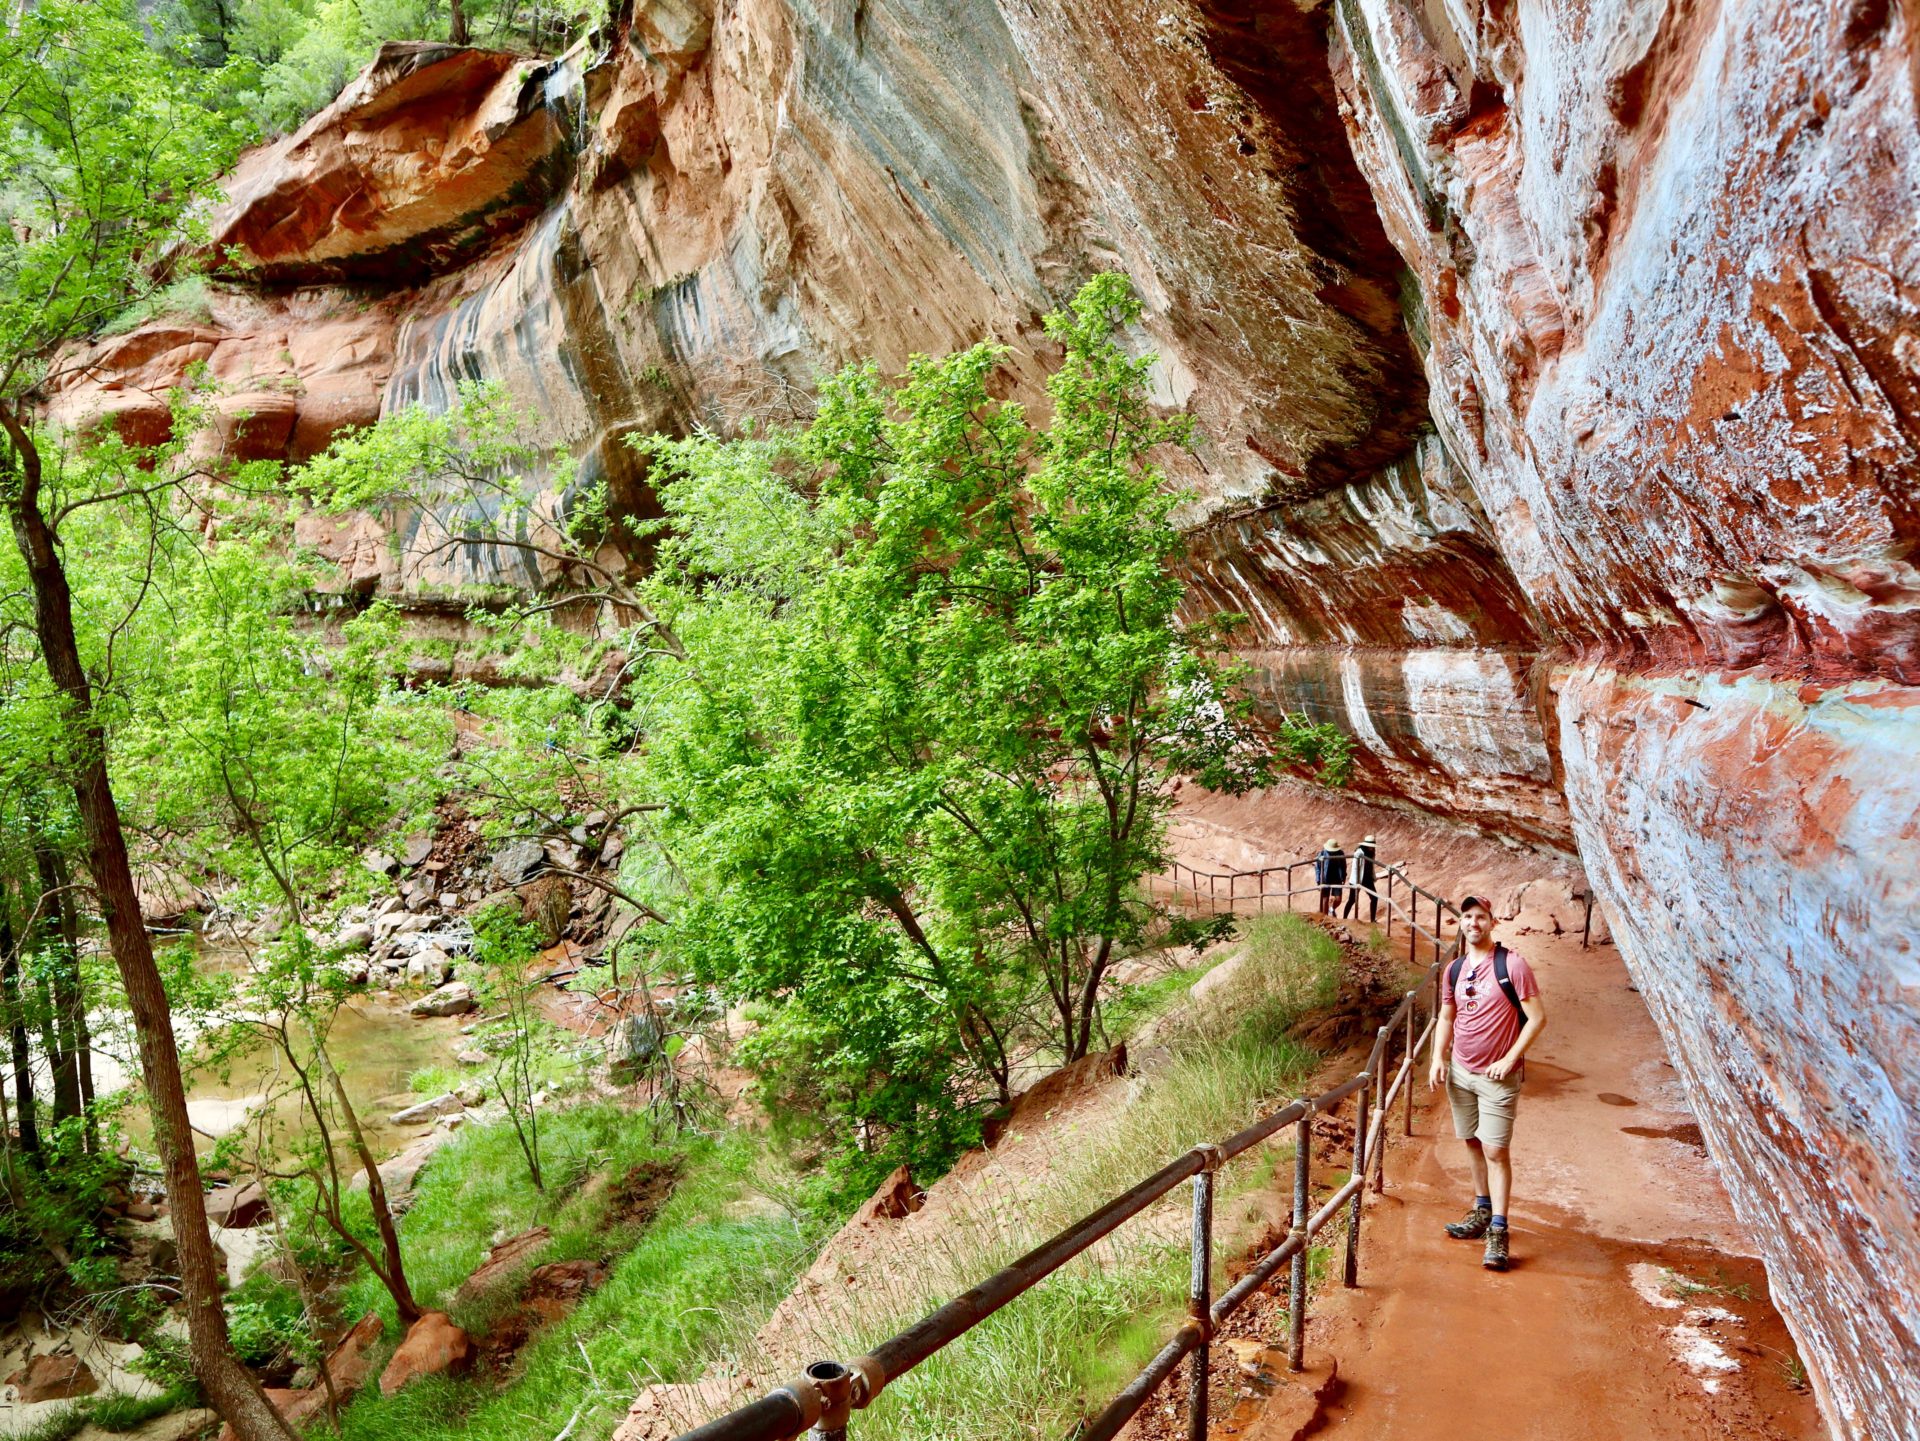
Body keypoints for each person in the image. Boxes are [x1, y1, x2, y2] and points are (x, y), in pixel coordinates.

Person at [1426, 895, 1547, 1271]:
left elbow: (1537, 1018)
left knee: (1496, 1151)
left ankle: (1499, 1229)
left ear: (1492, 922)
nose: (1472, 923)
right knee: (1473, 1142)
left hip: (1497, 1077)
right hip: (1461, 1073)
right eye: (1467, 917)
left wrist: (1510, 1059)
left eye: (1480, 917)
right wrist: (1437, 1057)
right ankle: (1481, 1210)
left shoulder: (1512, 964)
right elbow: (1447, 1017)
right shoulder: (1456, 969)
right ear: (1460, 923)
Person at [1342, 835, 1378, 921]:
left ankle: (1372, 920)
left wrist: (1373, 877)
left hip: (1367, 879)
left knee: (1374, 897)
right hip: (1357, 879)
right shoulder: (1359, 853)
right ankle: (1344, 918)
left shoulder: (1372, 853)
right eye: (1371, 847)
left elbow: (1371, 866)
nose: (1372, 848)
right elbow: (1355, 868)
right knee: (1352, 900)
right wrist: (1357, 882)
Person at [1313, 839, 1346, 914]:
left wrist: (1343, 876)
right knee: (1325, 898)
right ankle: (1325, 918)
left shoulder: (1340, 853)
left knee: (1338, 899)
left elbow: (1343, 866)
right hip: (1325, 878)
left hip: (1337, 877)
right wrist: (1318, 880)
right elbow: (1317, 868)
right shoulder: (1322, 853)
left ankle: (1331, 909)